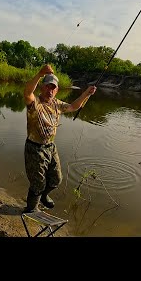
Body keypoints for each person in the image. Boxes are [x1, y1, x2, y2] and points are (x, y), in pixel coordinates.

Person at [22, 64, 97, 213]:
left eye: (53, 88)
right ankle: (31, 210)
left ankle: (44, 196)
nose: (50, 91)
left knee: (56, 179)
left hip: (50, 147)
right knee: (37, 183)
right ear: (42, 87)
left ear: (57, 90)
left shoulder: (57, 104)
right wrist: (39, 74)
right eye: (48, 87)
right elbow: (27, 92)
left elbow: (74, 107)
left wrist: (86, 94)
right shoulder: (34, 102)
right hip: (34, 148)